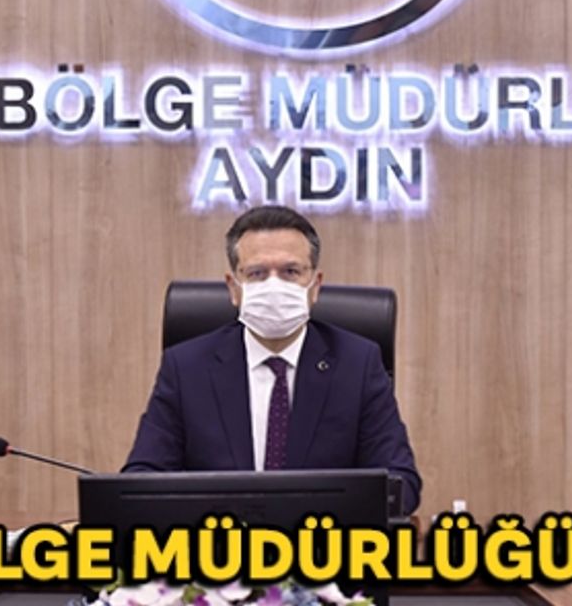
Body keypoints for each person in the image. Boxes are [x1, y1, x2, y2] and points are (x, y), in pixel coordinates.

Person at [123, 206, 422, 514]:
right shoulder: (186, 368)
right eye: (257, 274)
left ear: (315, 286)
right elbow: (142, 479)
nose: (273, 286)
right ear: (233, 288)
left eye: (291, 272)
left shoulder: (357, 365)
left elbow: (401, 484)